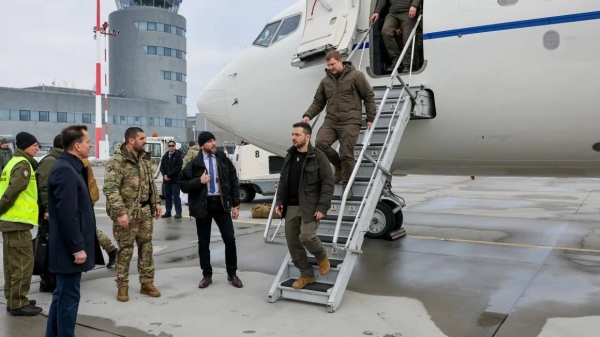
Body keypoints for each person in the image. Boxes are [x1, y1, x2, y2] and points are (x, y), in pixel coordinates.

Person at [37, 135, 118, 294]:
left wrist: (47, 208)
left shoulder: (61, 163)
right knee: (86, 229)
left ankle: (50, 276)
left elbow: (49, 191)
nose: (90, 146)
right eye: (88, 143)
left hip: (79, 202)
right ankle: (109, 250)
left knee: (78, 230)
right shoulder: (63, 162)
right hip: (83, 200)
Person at [45, 125, 105, 337]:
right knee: (68, 301)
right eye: (88, 141)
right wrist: (78, 248)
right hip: (68, 249)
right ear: (77, 145)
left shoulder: (71, 166)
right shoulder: (65, 170)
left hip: (67, 247)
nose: (90, 144)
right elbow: (67, 214)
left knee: (61, 296)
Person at [302, 50, 376, 199]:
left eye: (333, 64)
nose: (331, 68)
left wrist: (370, 117)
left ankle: (347, 186)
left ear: (341, 61)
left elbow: (368, 96)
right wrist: (308, 115)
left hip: (351, 121)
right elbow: (318, 102)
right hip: (331, 121)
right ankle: (339, 165)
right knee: (320, 143)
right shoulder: (325, 81)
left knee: (346, 152)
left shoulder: (356, 76)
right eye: (328, 65)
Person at [103, 127, 162, 302]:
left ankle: (147, 283)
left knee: (146, 248)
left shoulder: (144, 159)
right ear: (131, 140)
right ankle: (122, 285)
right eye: (142, 138)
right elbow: (110, 188)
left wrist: (156, 202)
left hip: (144, 213)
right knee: (126, 250)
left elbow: (151, 183)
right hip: (126, 214)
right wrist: (121, 213)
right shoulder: (117, 161)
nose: (145, 141)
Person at [179, 131, 243, 289]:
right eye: (209, 141)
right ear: (202, 145)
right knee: (203, 242)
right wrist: (198, 181)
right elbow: (182, 184)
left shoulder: (222, 159)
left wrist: (236, 205)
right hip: (203, 205)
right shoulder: (195, 163)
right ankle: (207, 275)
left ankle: (232, 273)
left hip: (221, 204)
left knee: (229, 239)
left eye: (214, 140)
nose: (213, 143)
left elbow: (233, 181)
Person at [275, 123, 334, 289]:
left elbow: (328, 183)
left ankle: (322, 255)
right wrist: (280, 202)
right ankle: (307, 275)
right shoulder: (289, 156)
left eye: (297, 135)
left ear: (307, 137)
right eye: (292, 134)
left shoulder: (318, 157)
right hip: (291, 206)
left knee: (307, 236)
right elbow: (283, 181)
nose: (293, 137)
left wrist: (322, 207)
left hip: (310, 206)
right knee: (292, 243)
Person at [0, 132, 43, 316]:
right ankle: (19, 303)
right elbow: (12, 191)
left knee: (11, 264)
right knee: (23, 264)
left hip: (10, 222)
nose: (37, 148)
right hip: (17, 223)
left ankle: (13, 298)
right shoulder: (23, 165)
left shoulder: (12, 162)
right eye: (34, 145)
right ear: (25, 146)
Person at [81, 157, 118, 268]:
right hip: (87, 196)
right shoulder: (79, 158)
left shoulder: (80, 160)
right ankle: (110, 250)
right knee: (88, 228)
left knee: (88, 228)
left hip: (86, 197)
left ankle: (110, 250)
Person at [370, 0, 422, 72]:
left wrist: (414, 6)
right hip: (393, 12)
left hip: (407, 11)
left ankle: (408, 65)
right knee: (386, 31)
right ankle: (396, 60)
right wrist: (377, 12)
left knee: (407, 38)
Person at [160, 140, 183, 219]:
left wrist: (169, 175)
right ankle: (168, 211)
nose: (171, 147)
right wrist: (164, 175)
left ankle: (178, 212)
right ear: (168, 146)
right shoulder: (165, 156)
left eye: (172, 145)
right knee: (167, 196)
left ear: (175, 146)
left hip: (175, 180)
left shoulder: (178, 155)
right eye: (169, 146)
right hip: (166, 180)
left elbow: (178, 168)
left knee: (176, 196)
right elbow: (162, 167)